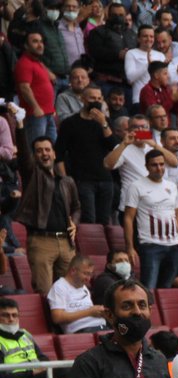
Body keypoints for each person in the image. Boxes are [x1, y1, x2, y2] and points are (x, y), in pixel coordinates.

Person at [12, 119, 81, 295]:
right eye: (39, 151)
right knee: (45, 291)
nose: (44, 154)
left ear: (54, 153)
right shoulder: (32, 175)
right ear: (34, 156)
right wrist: (20, 125)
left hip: (66, 243)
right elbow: (23, 156)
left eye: (47, 150)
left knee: (71, 292)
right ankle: (49, 324)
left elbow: (77, 207)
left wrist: (74, 222)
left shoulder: (67, 181)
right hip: (41, 241)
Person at [54, 84, 118, 225]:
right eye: (91, 98)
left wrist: (103, 123)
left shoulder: (105, 122)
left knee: (105, 220)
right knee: (88, 219)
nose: (95, 101)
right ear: (82, 99)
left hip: (105, 178)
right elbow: (58, 153)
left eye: (98, 98)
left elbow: (114, 146)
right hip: (82, 180)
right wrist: (65, 179)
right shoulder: (70, 123)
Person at [123, 149, 178, 289]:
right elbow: (128, 218)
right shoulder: (136, 186)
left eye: (162, 164)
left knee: (167, 287)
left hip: (173, 244)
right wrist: (130, 247)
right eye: (154, 165)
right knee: (149, 287)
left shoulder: (171, 186)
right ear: (146, 166)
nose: (159, 168)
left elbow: (175, 214)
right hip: (150, 244)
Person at [48, 254, 107, 334]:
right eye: (86, 273)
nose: (88, 279)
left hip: (102, 327)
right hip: (82, 331)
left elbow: (90, 311)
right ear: (73, 271)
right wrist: (89, 312)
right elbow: (57, 318)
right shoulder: (59, 286)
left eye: (90, 274)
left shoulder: (83, 287)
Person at [0, 297, 50, 378]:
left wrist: (44, 367)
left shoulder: (25, 334)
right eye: (5, 315)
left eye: (14, 315)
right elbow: (2, 377)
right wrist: (31, 372)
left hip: (38, 374)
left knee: (72, 368)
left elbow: (42, 357)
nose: (11, 319)